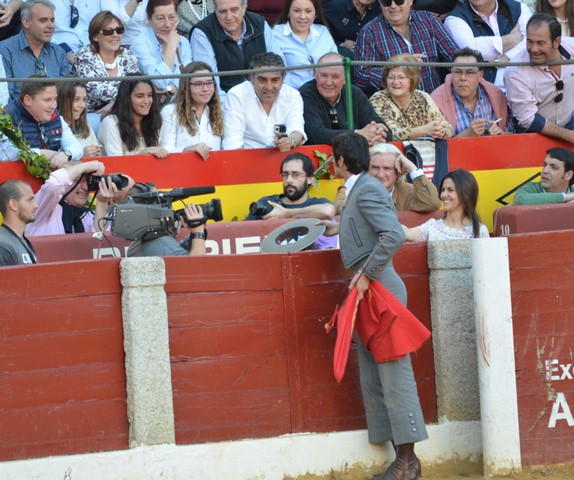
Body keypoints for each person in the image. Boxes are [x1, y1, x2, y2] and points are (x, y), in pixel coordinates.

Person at [319, 132, 428, 480]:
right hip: (370, 288)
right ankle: (402, 460)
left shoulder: (365, 189)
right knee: (375, 374)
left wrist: (366, 273)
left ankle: (408, 463)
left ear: (339, 161)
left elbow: (394, 234)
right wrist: (338, 226)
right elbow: (369, 228)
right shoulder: (360, 189)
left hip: (379, 287)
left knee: (394, 374)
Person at [353, 0, 458, 96]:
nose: (393, 6)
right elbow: (360, 76)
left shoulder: (430, 21)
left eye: (399, 1)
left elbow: (455, 58)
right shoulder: (369, 33)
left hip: (436, 103)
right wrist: (398, 68)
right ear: (380, 4)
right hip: (395, 110)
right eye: (386, 2)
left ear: (410, 1)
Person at [504, 13, 574, 144]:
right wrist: (569, 136)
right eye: (529, 42)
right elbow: (528, 119)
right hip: (532, 134)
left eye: (540, 43)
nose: (534, 49)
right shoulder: (514, 72)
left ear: (557, 42)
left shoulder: (571, 47)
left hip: (570, 123)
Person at [190, 0, 283, 98]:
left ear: (244, 8)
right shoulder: (202, 32)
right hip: (225, 101)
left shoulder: (259, 24)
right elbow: (209, 82)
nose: (229, 17)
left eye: (234, 10)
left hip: (263, 97)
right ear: (215, 10)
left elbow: (279, 67)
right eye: (223, 11)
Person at [299, 52, 391, 145]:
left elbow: (385, 130)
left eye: (335, 77)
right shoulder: (305, 94)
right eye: (324, 75)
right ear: (315, 75)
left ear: (345, 79)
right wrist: (358, 135)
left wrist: (378, 134)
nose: (328, 82)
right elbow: (315, 135)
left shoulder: (354, 93)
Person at [222, 52, 306, 151]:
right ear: (252, 78)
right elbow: (233, 145)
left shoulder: (293, 95)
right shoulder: (237, 95)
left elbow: (297, 132)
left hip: (283, 159)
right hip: (246, 158)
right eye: (262, 80)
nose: (269, 87)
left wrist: (290, 141)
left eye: (275, 80)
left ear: (283, 79)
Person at [444, 0, 531, 88]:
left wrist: (506, 58)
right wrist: (513, 38)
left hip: (527, 82)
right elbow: (470, 50)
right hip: (485, 91)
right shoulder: (455, 18)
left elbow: (530, 42)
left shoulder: (518, 8)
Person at [25, 160, 126, 236]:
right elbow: (53, 184)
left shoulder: (86, 215)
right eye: (78, 180)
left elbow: (98, 244)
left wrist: (101, 203)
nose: (85, 187)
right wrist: (85, 166)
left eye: (87, 181)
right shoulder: (44, 207)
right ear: (66, 182)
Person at [334, 142, 441, 214]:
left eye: (387, 168)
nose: (380, 174)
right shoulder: (353, 188)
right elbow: (338, 209)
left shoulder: (407, 191)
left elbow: (432, 203)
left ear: (398, 171)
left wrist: (412, 169)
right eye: (375, 167)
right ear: (367, 169)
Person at [369, 53, 453, 141]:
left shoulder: (422, 97)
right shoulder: (378, 99)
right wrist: (424, 130)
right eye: (391, 77)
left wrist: (440, 131)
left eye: (401, 77)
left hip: (425, 150)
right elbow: (390, 134)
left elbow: (448, 127)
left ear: (412, 80)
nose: (395, 82)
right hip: (393, 152)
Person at [431, 48, 512, 137]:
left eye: (470, 72)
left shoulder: (496, 94)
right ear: (451, 73)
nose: (463, 78)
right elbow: (433, 146)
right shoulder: (436, 101)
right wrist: (466, 135)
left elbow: (511, 132)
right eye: (458, 72)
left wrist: (500, 135)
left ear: (480, 75)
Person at [71, 11, 139, 116]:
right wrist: (126, 98)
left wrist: (114, 104)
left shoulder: (129, 56)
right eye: (108, 31)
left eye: (119, 30)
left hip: (124, 111)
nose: (115, 35)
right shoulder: (84, 56)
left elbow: (136, 87)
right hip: (89, 116)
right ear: (95, 36)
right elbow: (98, 90)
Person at [0, 0, 71, 101]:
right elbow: (5, 102)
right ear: (26, 22)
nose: (51, 25)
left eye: (52, 20)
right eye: (43, 20)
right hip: (18, 116)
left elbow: (66, 97)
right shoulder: (4, 51)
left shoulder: (58, 53)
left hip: (55, 115)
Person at [3, 78, 83, 167]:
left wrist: (66, 154)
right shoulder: (6, 117)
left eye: (55, 99)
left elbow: (76, 147)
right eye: (47, 100)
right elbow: (5, 155)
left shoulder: (56, 116)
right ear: (28, 100)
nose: (53, 106)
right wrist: (41, 153)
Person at [402, 168, 490, 241]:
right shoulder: (432, 227)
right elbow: (409, 233)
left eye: (450, 190)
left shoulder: (479, 231)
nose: (443, 195)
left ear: (466, 194)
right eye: (443, 190)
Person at [159, 61, 223, 158]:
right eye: (198, 84)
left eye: (209, 83)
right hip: (181, 171)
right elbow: (164, 151)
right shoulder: (170, 112)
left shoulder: (220, 111)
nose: (205, 89)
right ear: (186, 87)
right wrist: (186, 150)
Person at [130, 0, 192, 99]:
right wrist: (171, 47)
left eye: (172, 17)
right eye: (160, 18)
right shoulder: (140, 44)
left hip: (181, 101)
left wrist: (169, 89)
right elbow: (160, 82)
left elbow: (188, 78)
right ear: (149, 18)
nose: (167, 24)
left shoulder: (183, 42)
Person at [247, 152, 336, 221]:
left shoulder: (316, 204)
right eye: (285, 174)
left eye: (296, 174)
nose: (289, 180)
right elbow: (247, 232)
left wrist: (287, 213)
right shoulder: (268, 203)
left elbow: (328, 211)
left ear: (310, 179)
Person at [126, 183, 207, 256]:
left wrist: (195, 235)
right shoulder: (162, 244)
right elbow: (197, 265)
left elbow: (173, 250)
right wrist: (198, 232)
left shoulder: (136, 243)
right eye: (160, 202)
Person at [272, 0, 338, 89]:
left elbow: (336, 65)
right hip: (292, 95)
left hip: (324, 92)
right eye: (297, 11)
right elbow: (278, 74)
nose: (302, 16)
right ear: (288, 12)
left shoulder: (323, 32)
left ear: (315, 14)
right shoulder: (275, 34)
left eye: (308, 11)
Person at [98, 76, 168, 157]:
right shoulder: (110, 123)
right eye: (140, 96)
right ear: (126, 98)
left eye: (149, 95)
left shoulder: (155, 120)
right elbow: (116, 163)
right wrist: (144, 153)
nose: (147, 101)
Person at [57, 81, 102, 158]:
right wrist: (82, 155)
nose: (82, 105)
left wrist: (97, 153)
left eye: (84, 100)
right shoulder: (53, 129)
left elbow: (98, 158)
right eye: (76, 99)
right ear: (62, 101)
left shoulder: (85, 124)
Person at [0, 180, 39, 266]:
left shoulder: (21, 240)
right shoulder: (2, 245)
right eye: (30, 200)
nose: (36, 205)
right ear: (13, 204)